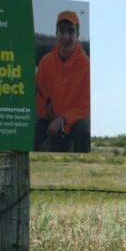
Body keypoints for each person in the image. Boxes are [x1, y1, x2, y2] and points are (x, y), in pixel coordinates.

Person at [35, 10, 90, 152]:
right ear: (56, 33)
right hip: (49, 120)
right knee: (31, 131)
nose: (66, 36)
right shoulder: (45, 62)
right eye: (62, 31)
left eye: (71, 31)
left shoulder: (86, 65)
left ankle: (82, 166)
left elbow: (86, 104)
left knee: (84, 129)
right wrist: (46, 105)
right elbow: (40, 91)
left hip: (73, 122)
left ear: (77, 35)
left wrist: (63, 119)